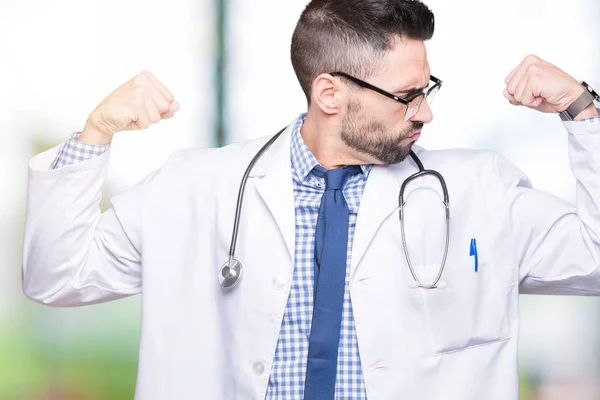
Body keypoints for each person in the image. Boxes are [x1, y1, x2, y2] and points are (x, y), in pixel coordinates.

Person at [22, 0, 600, 399]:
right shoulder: (195, 189)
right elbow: (56, 275)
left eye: (427, 90)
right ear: (329, 92)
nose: (425, 111)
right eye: (406, 96)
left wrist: (583, 110)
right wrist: (95, 132)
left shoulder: (481, 192)